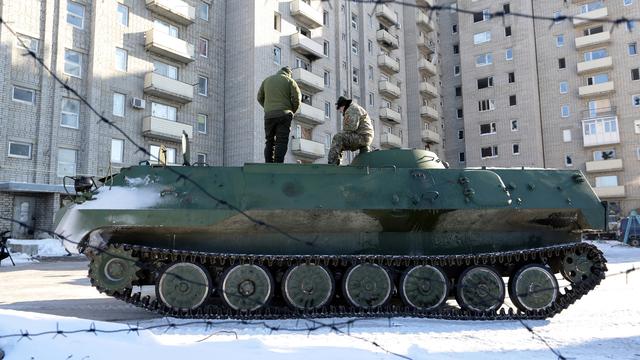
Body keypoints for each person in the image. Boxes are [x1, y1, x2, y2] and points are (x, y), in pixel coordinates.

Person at [257, 66, 302, 163]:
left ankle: (268, 163)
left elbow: (259, 97)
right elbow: (297, 98)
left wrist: (268, 107)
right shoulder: (290, 81)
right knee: (281, 141)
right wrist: (292, 110)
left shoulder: (266, 81)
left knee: (269, 141)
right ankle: (278, 164)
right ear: (289, 73)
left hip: (269, 115)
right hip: (284, 115)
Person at [328, 96, 374, 165]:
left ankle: (332, 164)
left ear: (343, 106)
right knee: (341, 143)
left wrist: (343, 132)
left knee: (338, 137)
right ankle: (336, 163)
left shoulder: (351, 109)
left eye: (339, 108)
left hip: (362, 137)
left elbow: (351, 127)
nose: (340, 111)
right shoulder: (354, 108)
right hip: (364, 136)